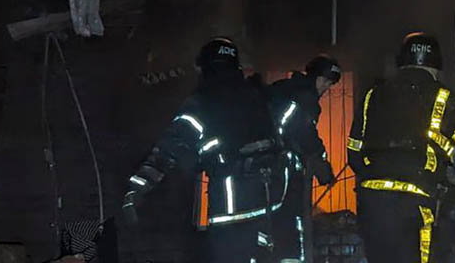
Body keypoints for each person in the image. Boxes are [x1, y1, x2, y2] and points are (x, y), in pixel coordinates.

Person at [122, 37, 293, 262]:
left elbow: (168, 150)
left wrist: (136, 189)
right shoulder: (257, 95)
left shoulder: (202, 103)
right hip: (271, 202)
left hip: (232, 207)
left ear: (205, 67)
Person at [347, 32, 455, 263]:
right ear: (437, 66)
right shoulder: (444, 98)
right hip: (416, 206)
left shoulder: (372, 95)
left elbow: (354, 153)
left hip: (372, 205)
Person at [269, 55, 342, 263]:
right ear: (315, 77)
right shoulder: (304, 97)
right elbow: (302, 132)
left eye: (331, 83)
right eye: (326, 80)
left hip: (270, 172)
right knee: (291, 226)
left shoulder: (287, 89)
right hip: (285, 172)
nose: (327, 87)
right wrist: (321, 163)